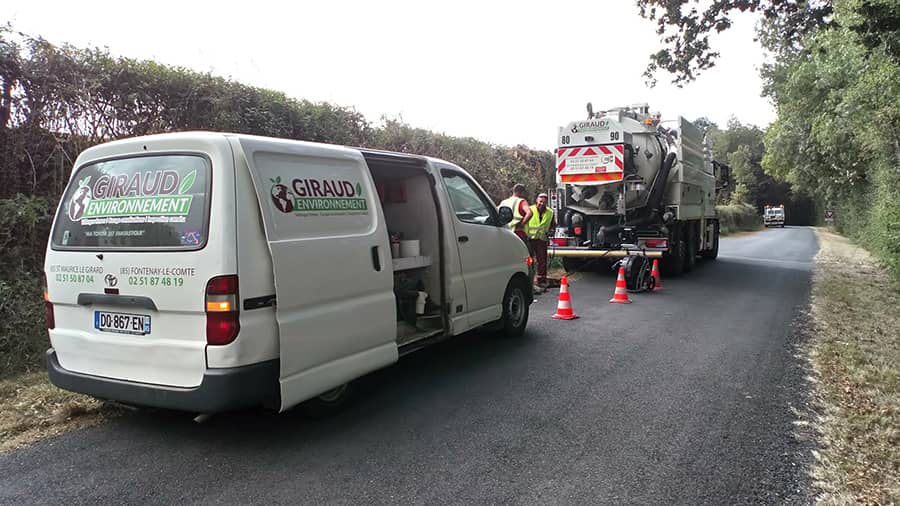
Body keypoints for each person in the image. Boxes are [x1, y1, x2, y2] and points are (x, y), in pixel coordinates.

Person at [525, 192, 555, 292]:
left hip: (542, 240)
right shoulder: (530, 209)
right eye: (540, 201)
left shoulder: (550, 212)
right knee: (529, 260)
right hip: (530, 239)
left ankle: (541, 281)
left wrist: (551, 231)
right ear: (536, 201)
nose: (542, 204)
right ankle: (529, 281)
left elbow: (552, 225)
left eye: (544, 202)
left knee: (542, 261)